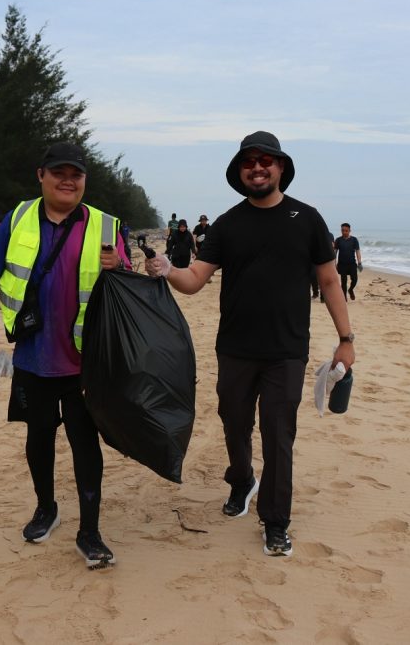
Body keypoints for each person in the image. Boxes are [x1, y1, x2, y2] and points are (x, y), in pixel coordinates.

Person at [146, 131, 355, 558]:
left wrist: (346, 340)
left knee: (279, 434)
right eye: (249, 162)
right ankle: (242, 481)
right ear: (240, 172)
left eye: (266, 161)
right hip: (236, 348)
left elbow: (330, 280)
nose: (257, 167)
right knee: (233, 422)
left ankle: (275, 520)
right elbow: (195, 281)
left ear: (280, 168)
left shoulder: (308, 218)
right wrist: (167, 268)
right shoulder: (228, 224)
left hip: (287, 350)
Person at [0, 142, 130, 569]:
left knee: (85, 443)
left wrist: (120, 268)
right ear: (41, 175)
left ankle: (90, 532)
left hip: (85, 361)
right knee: (38, 437)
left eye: (77, 174)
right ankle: (45, 507)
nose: (68, 180)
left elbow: (128, 290)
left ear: (85, 180)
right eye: (59, 172)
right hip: (33, 356)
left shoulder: (107, 227)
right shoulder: (17, 219)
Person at [334, 223, 362, 301]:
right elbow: (335, 253)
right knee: (343, 281)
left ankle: (350, 289)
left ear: (349, 231)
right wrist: (334, 263)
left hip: (352, 264)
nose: (344, 232)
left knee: (355, 279)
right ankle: (344, 297)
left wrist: (359, 263)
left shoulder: (354, 240)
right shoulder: (338, 240)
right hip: (342, 264)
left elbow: (358, 251)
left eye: (346, 230)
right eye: (342, 230)